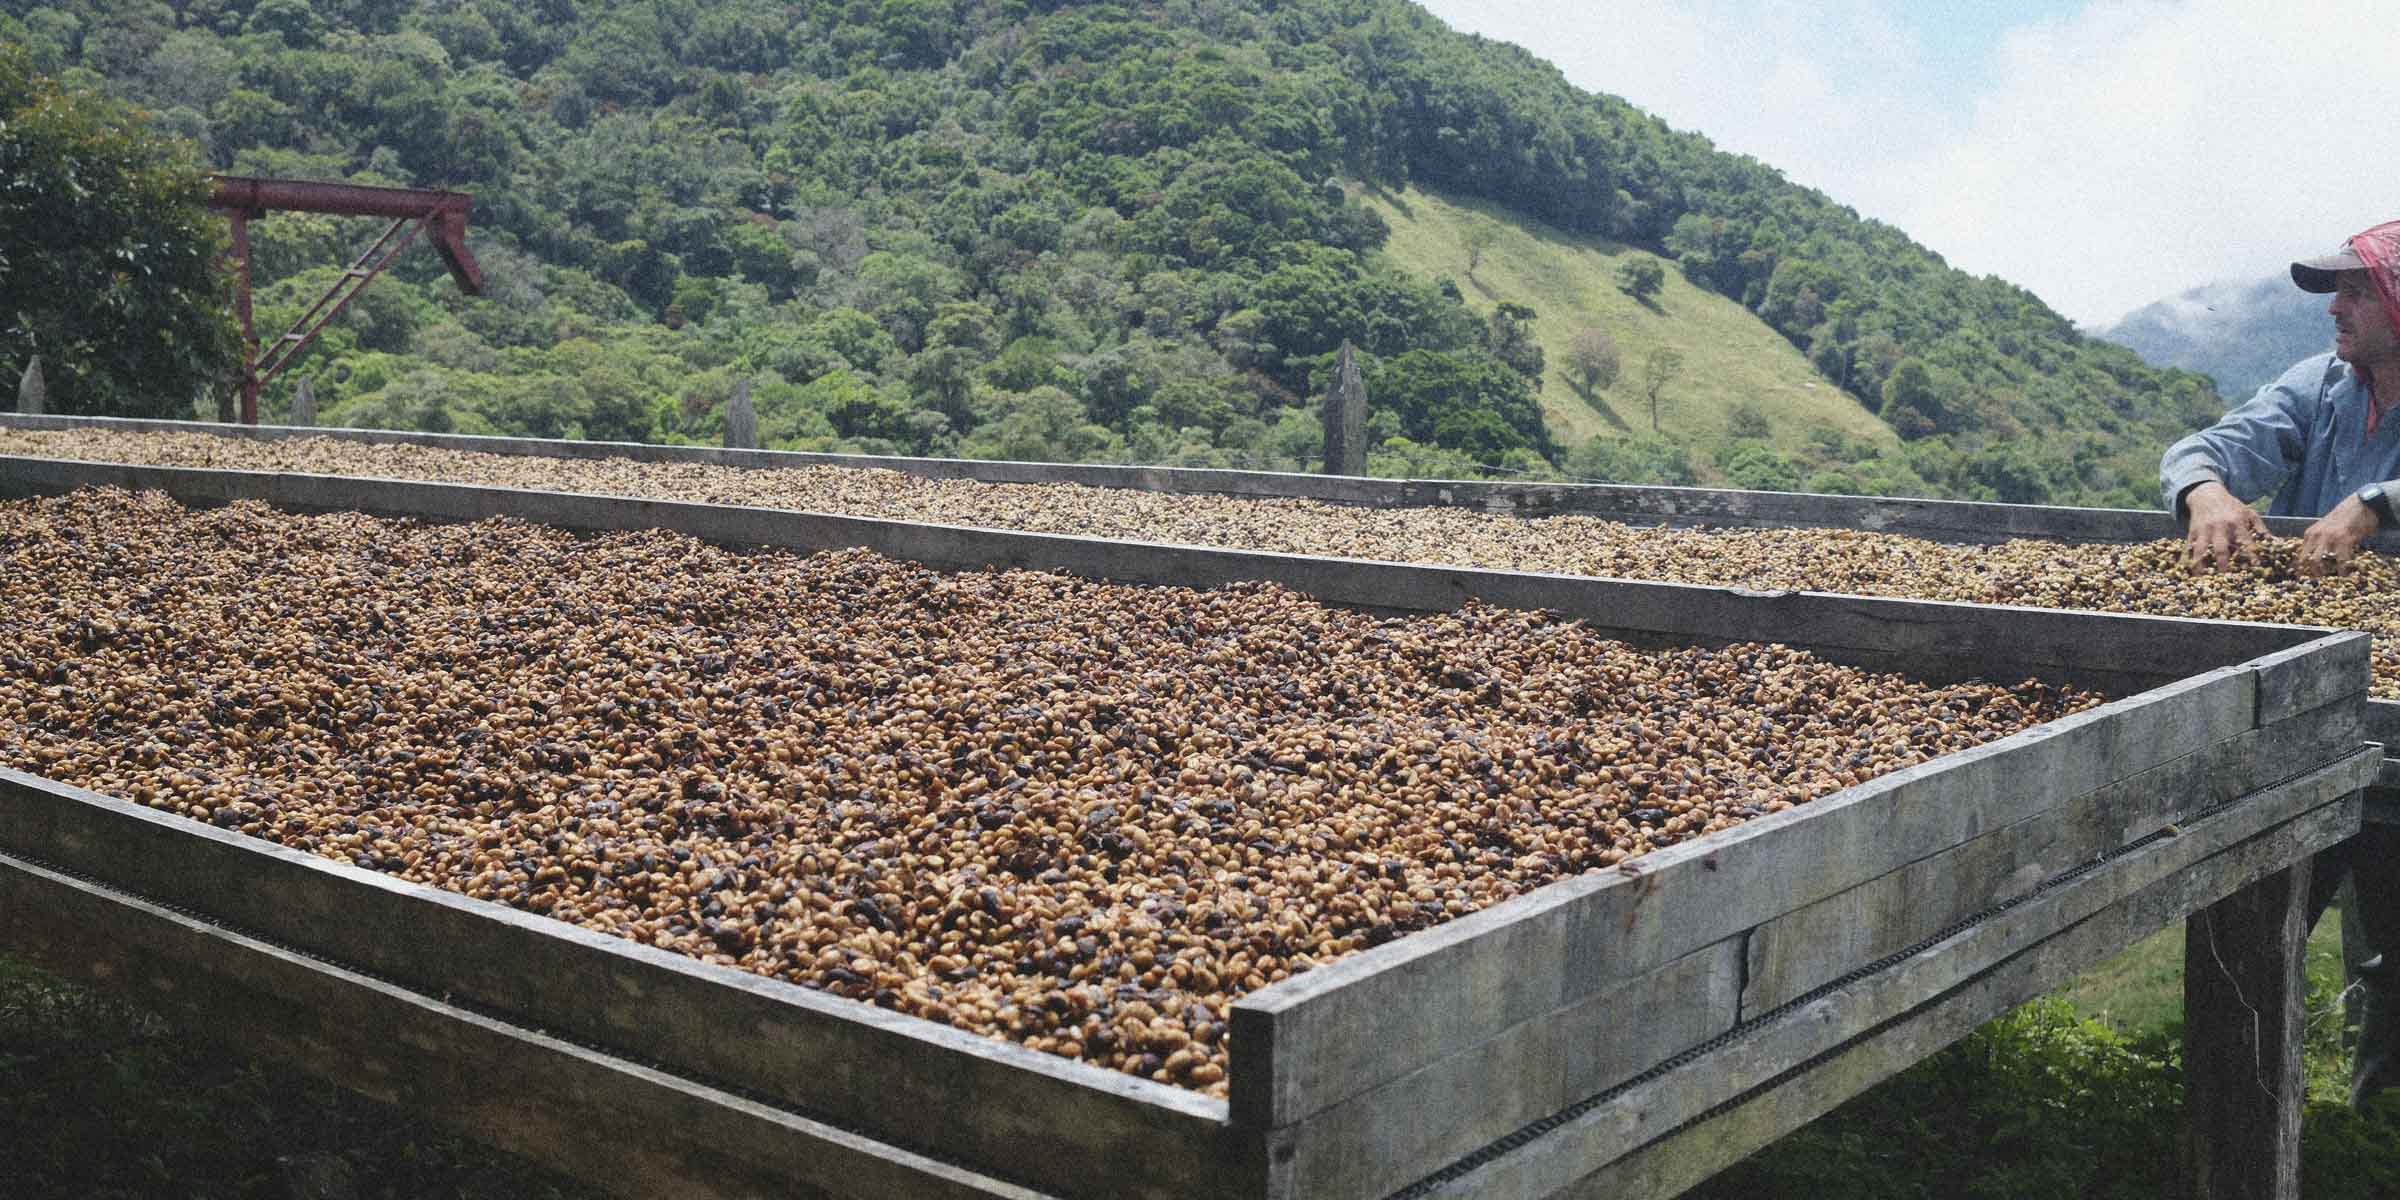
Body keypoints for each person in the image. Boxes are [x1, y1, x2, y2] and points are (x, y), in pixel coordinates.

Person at [2161, 218, 2400, 1104]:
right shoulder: (2322, 385)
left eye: (2356, 292)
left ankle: (2372, 1132)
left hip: (2397, 722)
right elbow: (2213, 445)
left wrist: (2376, 502)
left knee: (2394, 961)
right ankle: (2247, 1112)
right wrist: (2206, 488)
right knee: (2260, 932)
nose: (2335, 309)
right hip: (2314, 714)